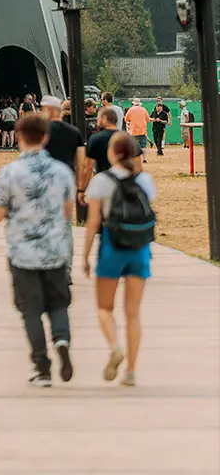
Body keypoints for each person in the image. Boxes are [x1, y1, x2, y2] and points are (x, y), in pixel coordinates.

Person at [0, 111, 76, 387]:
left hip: (23, 252)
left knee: (31, 310)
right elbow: (68, 210)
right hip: (55, 249)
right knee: (58, 303)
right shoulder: (62, 172)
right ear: (45, 137)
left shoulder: (10, 173)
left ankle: (42, 365)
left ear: (19, 137)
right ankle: (62, 338)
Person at [83, 132, 157, 387]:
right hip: (139, 249)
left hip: (112, 247)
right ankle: (131, 371)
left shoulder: (101, 182)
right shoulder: (145, 180)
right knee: (133, 313)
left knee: (105, 308)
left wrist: (84, 256)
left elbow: (93, 223)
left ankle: (115, 346)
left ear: (112, 153)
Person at [40, 96, 84, 201]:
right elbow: (81, 162)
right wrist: (78, 185)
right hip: (67, 178)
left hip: (45, 178)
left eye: (42, 109)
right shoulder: (74, 132)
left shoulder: (40, 131)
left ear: (49, 109)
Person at [81, 106, 120, 207]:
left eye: (98, 118)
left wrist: (82, 189)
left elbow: (88, 166)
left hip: (104, 182)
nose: (96, 121)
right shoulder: (126, 138)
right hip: (123, 184)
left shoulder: (96, 139)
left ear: (104, 119)